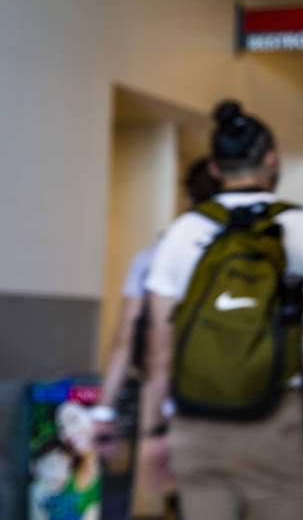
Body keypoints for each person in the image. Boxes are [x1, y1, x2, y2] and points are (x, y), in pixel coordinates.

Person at [140, 100, 303, 520]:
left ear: (214, 167)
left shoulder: (183, 232)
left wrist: (155, 431)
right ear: (270, 160)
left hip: (196, 425)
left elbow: (160, 349)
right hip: (276, 423)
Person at [92, 159, 221, 456]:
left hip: (183, 403)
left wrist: (104, 413)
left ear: (189, 198)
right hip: (252, 403)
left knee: (200, 495)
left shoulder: (155, 255)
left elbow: (125, 340)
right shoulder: (258, 252)